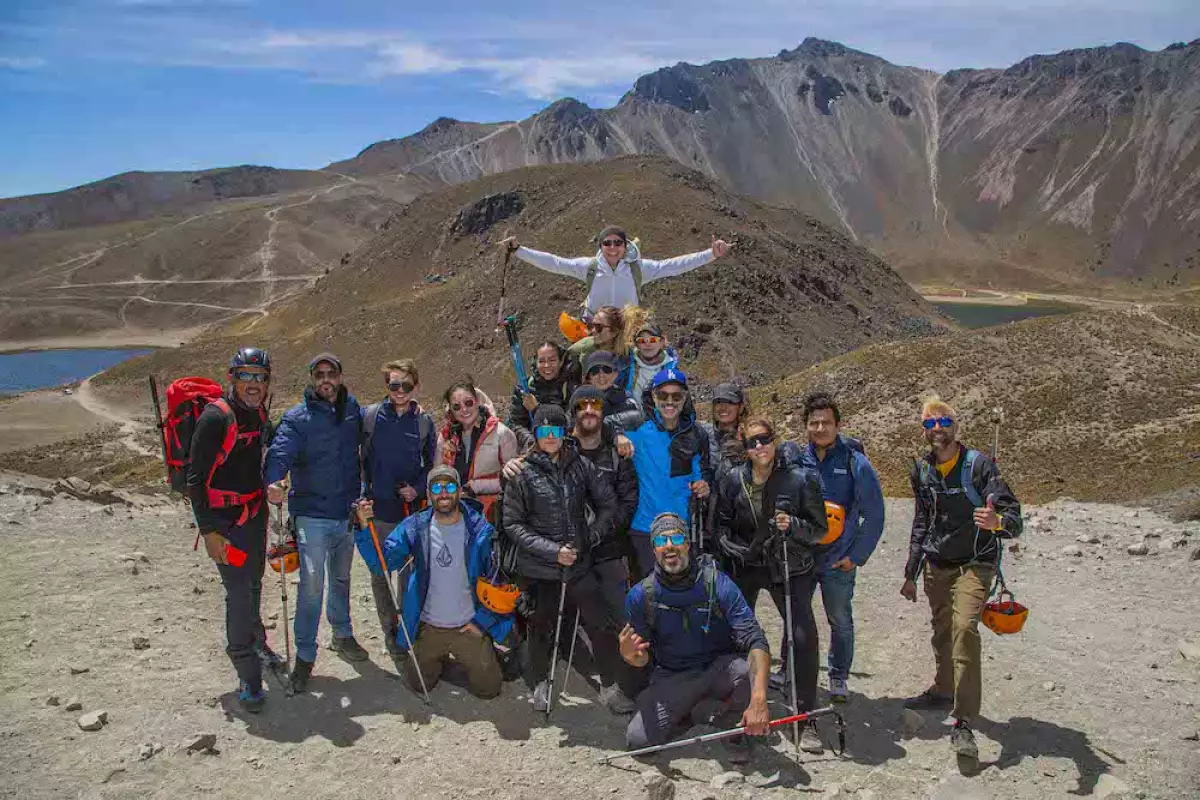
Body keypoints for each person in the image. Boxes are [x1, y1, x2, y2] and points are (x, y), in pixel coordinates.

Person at [901, 396, 1023, 759]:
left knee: (964, 628)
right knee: (941, 630)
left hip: (975, 562)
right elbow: (922, 522)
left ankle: (964, 722)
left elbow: (1013, 516)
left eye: (944, 421)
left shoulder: (979, 467)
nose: (937, 428)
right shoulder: (922, 471)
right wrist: (911, 572)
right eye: (929, 423)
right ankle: (943, 689)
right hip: (937, 565)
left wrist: (997, 522)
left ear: (957, 426)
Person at [713, 416, 828, 753]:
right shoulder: (733, 480)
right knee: (737, 636)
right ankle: (740, 709)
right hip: (747, 566)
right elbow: (719, 527)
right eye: (752, 443)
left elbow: (819, 529)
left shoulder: (800, 479)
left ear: (774, 440)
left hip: (788, 565)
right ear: (744, 448)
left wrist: (793, 525)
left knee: (802, 636)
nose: (759, 447)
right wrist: (738, 552)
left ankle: (805, 717)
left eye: (764, 439)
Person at [620, 513, 771, 764]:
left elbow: (755, 640)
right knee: (638, 743)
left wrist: (759, 699)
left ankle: (729, 725)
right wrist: (630, 656)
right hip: (672, 675)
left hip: (719, 668)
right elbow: (641, 658)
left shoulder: (718, 583)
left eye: (677, 537)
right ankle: (696, 711)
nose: (669, 546)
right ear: (654, 549)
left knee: (747, 673)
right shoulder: (640, 596)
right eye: (661, 540)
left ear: (688, 544)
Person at [501, 406, 624, 712]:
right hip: (541, 569)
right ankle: (541, 681)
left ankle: (609, 684)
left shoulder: (580, 465)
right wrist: (552, 551)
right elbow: (513, 524)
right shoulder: (522, 472)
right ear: (536, 435)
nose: (550, 437)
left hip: (579, 565)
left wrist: (588, 538)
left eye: (556, 430)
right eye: (543, 432)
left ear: (565, 432)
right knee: (540, 626)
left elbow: (608, 505)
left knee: (599, 621)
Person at [352, 466, 513, 698]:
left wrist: (482, 623)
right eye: (437, 487)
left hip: (468, 627)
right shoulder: (415, 527)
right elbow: (382, 563)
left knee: (489, 690)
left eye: (450, 486)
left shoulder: (481, 531)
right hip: (429, 627)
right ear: (428, 493)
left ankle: (482, 651)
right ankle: (439, 657)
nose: (444, 493)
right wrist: (364, 527)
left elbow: (498, 582)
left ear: (459, 491)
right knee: (418, 684)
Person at [265, 352, 368, 692]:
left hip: (346, 512)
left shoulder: (351, 410)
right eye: (319, 374)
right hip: (311, 514)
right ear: (311, 378)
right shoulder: (298, 418)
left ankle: (342, 634)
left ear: (340, 376)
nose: (326, 379)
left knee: (341, 579)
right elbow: (280, 453)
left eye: (331, 373)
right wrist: (275, 481)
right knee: (311, 586)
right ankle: (305, 656)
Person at [188, 347, 274, 712]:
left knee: (253, 583)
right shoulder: (214, 418)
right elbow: (195, 479)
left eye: (260, 377)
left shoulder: (258, 414)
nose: (253, 384)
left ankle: (255, 641)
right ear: (232, 377)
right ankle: (247, 673)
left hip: (254, 516)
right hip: (225, 525)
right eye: (247, 375)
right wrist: (208, 532)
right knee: (238, 594)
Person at [799, 393, 885, 702]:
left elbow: (874, 514)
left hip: (838, 559)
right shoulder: (798, 459)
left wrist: (856, 557)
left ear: (838, 425)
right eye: (814, 423)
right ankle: (792, 671)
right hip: (803, 558)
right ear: (806, 426)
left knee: (839, 620)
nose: (820, 428)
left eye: (826, 422)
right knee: (796, 616)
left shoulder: (855, 462)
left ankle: (838, 676)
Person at [360, 359, 437, 665]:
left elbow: (431, 465)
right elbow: (359, 461)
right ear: (386, 387)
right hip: (378, 509)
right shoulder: (370, 417)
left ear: (415, 386)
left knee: (407, 575)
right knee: (380, 575)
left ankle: (407, 629)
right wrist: (360, 498)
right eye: (394, 385)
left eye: (406, 385)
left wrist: (417, 489)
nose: (400, 391)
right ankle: (389, 632)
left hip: (410, 512)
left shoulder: (424, 422)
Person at [500, 226, 730, 315]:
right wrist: (519, 250)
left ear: (625, 245)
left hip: (627, 328)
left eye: (617, 243)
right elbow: (554, 263)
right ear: (600, 246)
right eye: (607, 243)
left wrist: (711, 254)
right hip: (593, 327)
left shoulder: (639, 269)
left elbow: (675, 265)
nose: (612, 248)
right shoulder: (589, 267)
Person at [616, 367, 711, 579]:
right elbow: (597, 425)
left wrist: (704, 485)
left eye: (676, 395)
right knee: (647, 594)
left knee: (679, 592)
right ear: (654, 396)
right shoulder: (636, 426)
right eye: (663, 395)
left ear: (685, 397)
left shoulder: (696, 433)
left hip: (682, 529)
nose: (670, 401)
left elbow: (704, 471)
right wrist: (617, 436)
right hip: (644, 528)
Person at [438, 378, 519, 523]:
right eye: (456, 406)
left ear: (477, 401)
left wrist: (476, 486)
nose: (464, 409)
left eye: (468, 403)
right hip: (454, 516)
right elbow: (436, 479)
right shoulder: (446, 437)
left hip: (492, 517)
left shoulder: (502, 434)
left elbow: (515, 480)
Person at [507, 341, 572, 450]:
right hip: (533, 448)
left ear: (560, 362)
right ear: (536, 363)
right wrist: (531, 441)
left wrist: (537, 410)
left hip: (562, 446)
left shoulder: (570, 387)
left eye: (552, 360)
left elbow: (571, 421)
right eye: (541, 361)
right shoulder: (525, 388)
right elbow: (515, 424)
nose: (546, 365)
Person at [617, 314, 679, 399]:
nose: (648, 344)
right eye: (642, 341)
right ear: (636, 345)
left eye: (653, 340)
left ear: (661, 342)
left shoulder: (672, 369)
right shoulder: (626, 367)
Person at [564, 304, 626, 385]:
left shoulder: (626, 356)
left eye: (598, 327)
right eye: (592, 326)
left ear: (614, 331)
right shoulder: (585, 346)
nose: (592, 331)